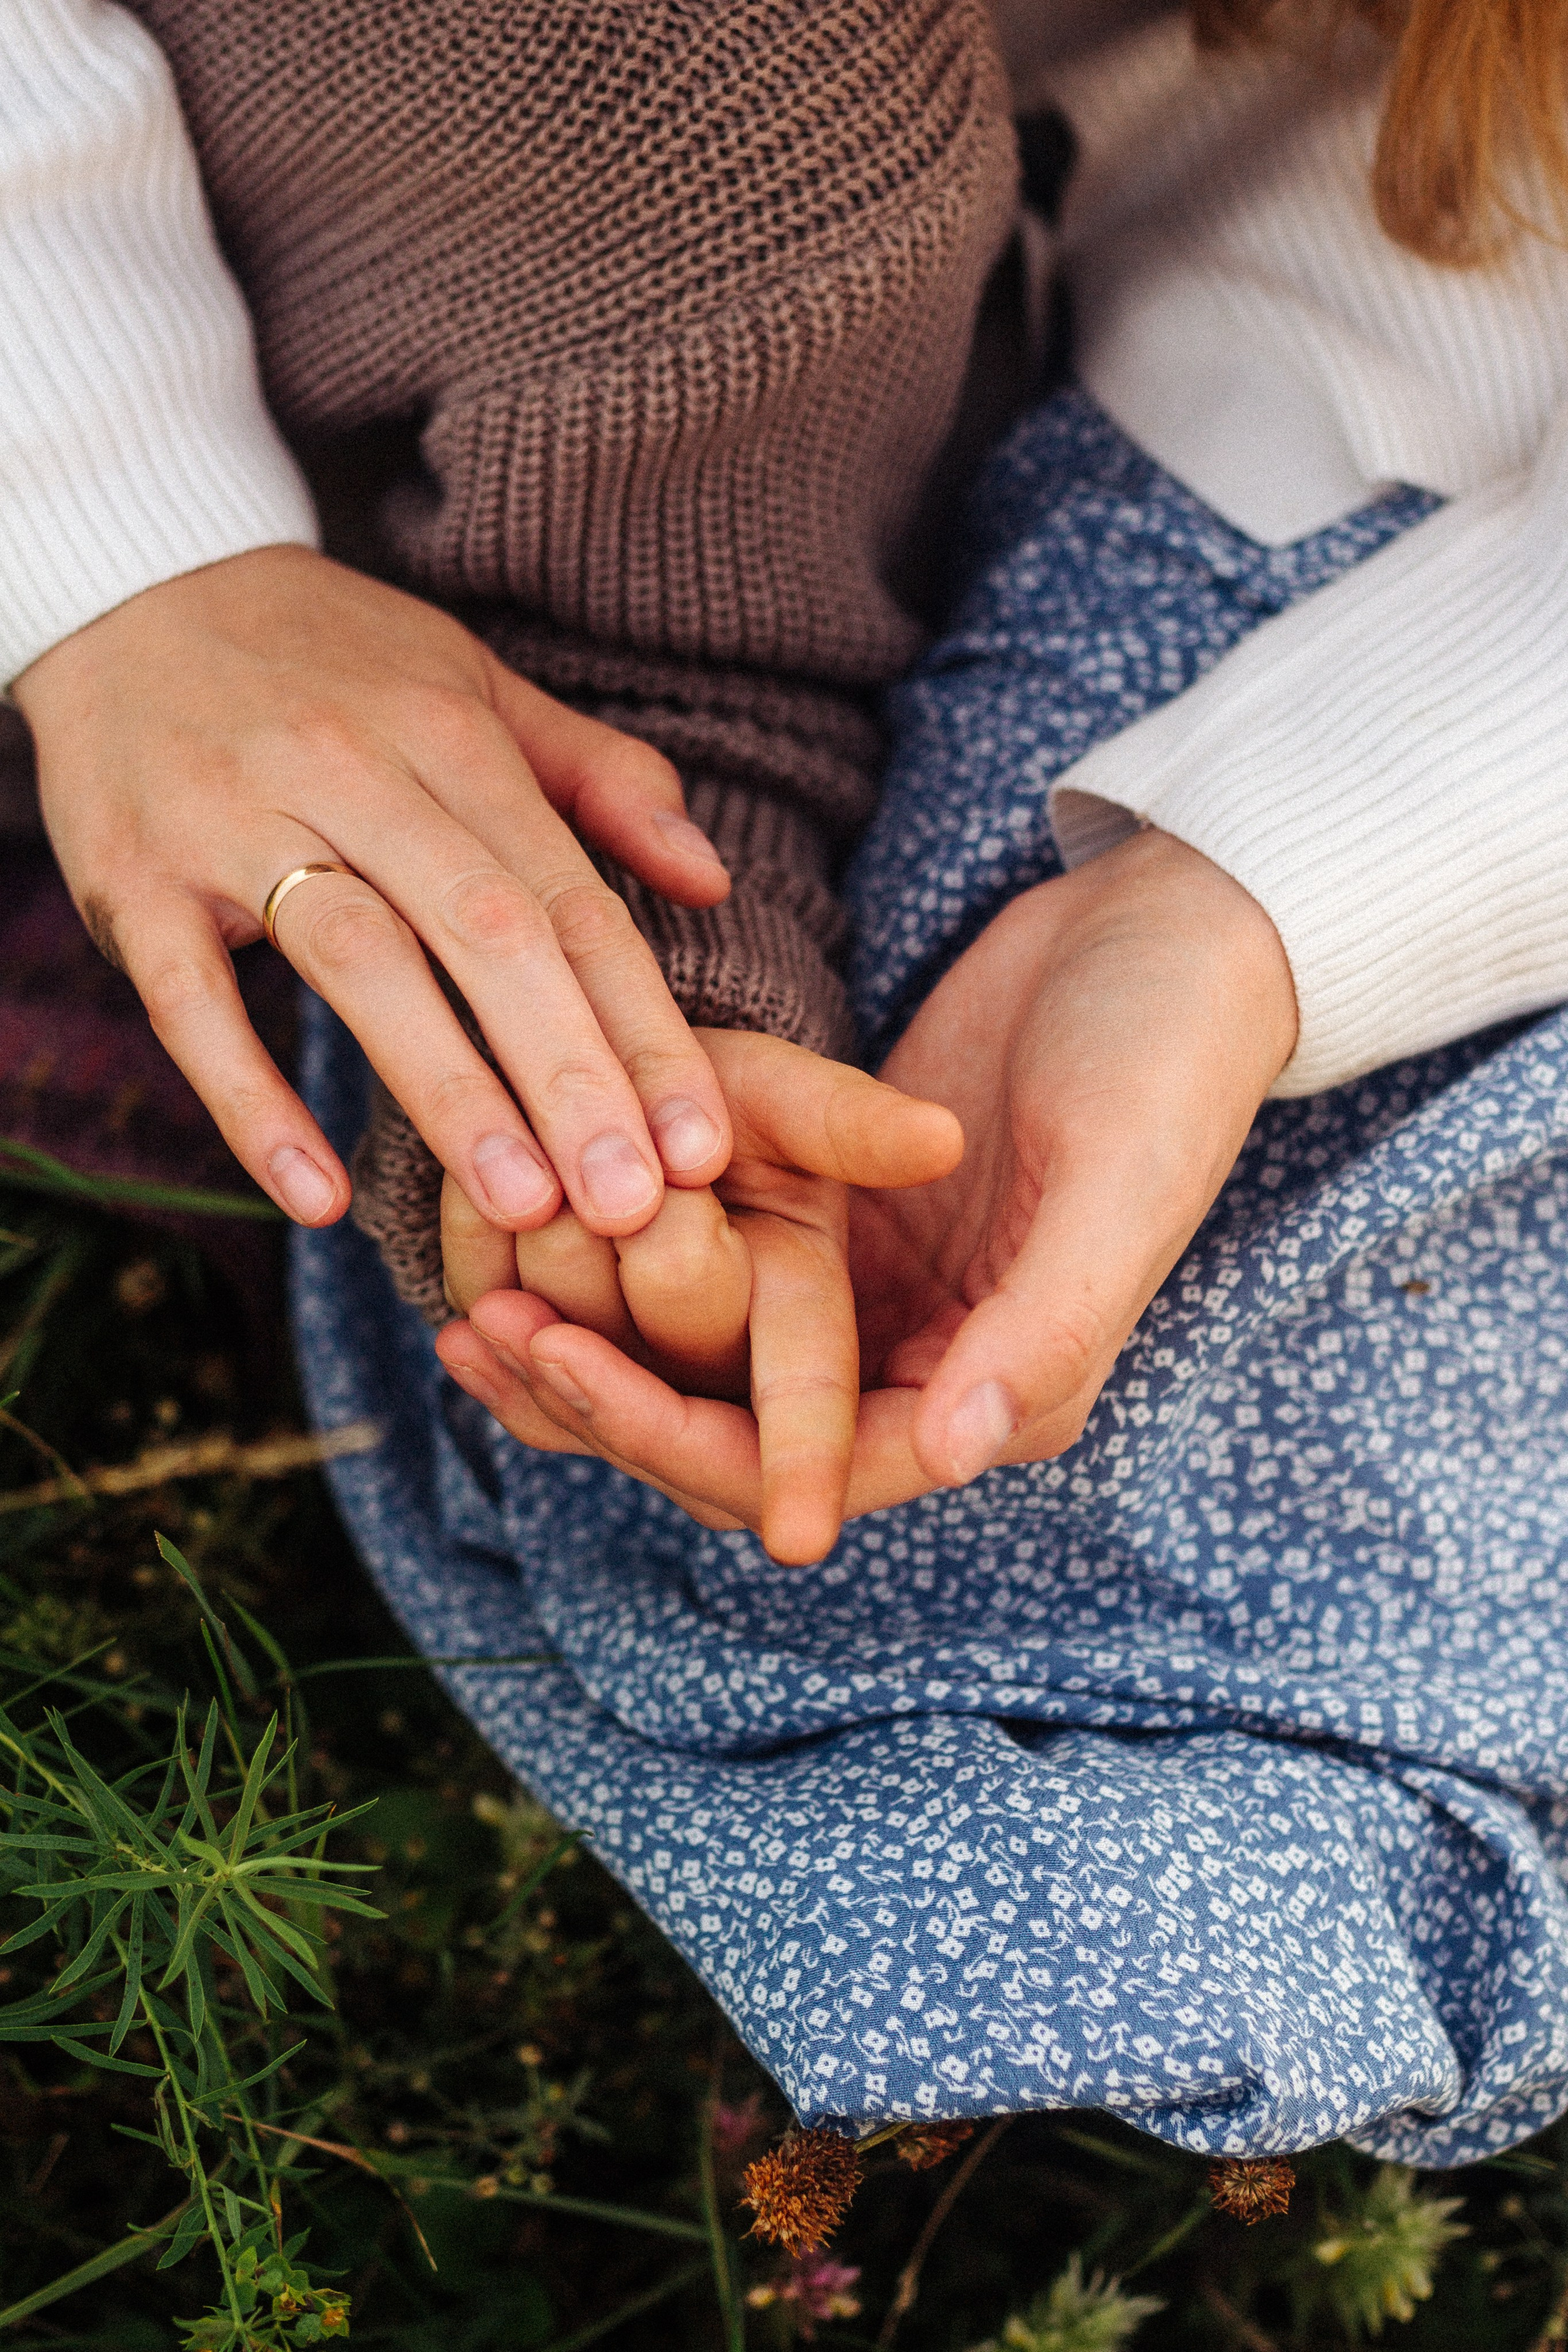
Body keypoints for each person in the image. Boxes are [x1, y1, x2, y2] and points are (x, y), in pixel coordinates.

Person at [9, 0, 1568, 2158]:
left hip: (1343, 464)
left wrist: (1253, 896)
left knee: (1063, 1390)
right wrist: (127, 543)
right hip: (721, 283)